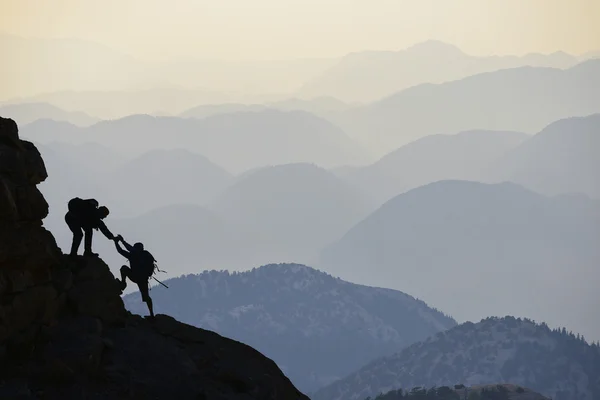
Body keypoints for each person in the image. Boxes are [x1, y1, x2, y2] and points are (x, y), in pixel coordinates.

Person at [114, 235, 156, 318]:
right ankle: (152, 315)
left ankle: (123, 283)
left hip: (138, 277)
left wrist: (118, 242)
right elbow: (125, 249)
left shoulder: (135, 255)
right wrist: (121, 241)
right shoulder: (142, 255)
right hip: (141, 279)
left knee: (124, 269)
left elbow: (121, 250)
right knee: (146, 297)